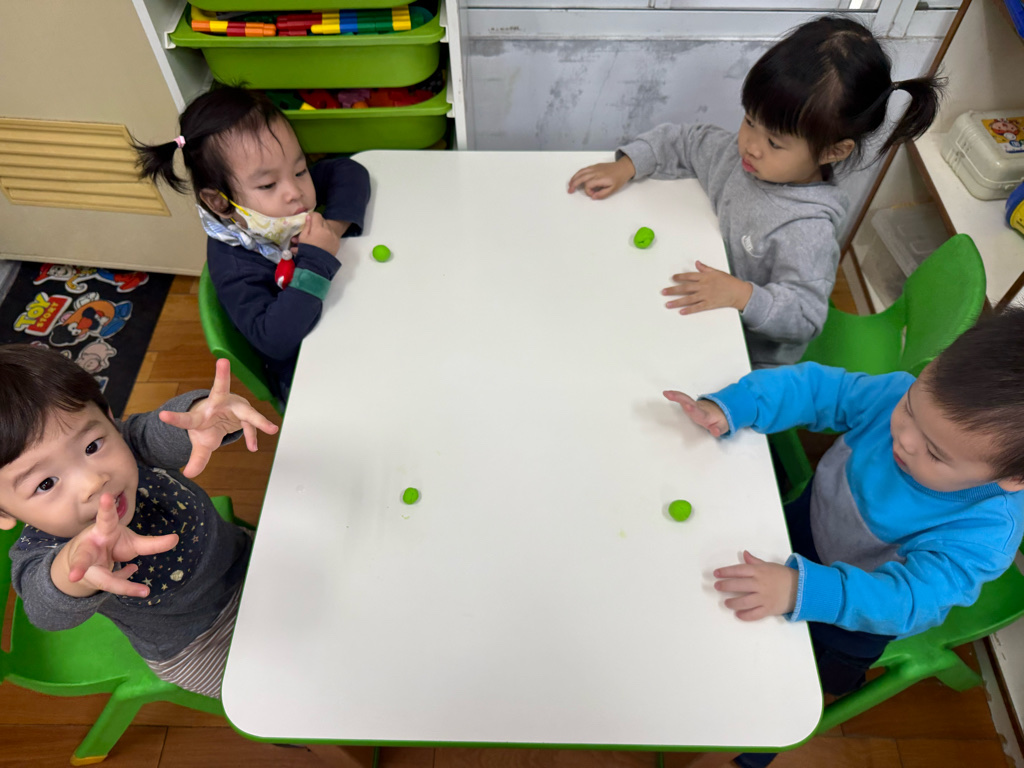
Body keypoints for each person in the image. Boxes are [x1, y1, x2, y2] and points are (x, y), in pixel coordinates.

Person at [663, 307, 1024, 767]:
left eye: (934, 453)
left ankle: (748, 755)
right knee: (712, 605)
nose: (905, 439)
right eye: (909, 408)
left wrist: (803, 590)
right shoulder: (899, 397)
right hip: (802, 526)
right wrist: (736, 405)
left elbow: (909, 602)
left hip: (851, 615)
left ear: (1014, 479)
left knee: (788, 686)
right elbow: (820, 390)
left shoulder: (985, 530)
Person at [568, 16, 944, 368]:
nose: (750, 145)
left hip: (752, 359)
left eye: (774, 142)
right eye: (749, 120)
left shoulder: (806, 231)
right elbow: (687, 141)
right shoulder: (741, 160)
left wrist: (741, 295)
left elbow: (805, 317)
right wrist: (628, 165)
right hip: (706, 310)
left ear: (832, 152)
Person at [0, 345, 278, 698]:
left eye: (91, 446)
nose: (93, 482)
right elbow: (45, 609)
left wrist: (200, 417)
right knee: (273, 698)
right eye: (45, 484)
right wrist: (74, 572)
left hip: (242, 557)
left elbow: (162, 429)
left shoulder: (127, 442)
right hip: (197, 643)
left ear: (109, 418)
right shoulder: (43, 551)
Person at [134, 86, 371, 401]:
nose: (295, 192)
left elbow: (349, 171)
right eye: (268, 184)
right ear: (220, 202)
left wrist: (333, 228)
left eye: (300, 170)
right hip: (306, 372)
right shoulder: (235, 265)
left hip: (343, 325)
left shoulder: (285, 197)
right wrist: (315, 262)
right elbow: (274, 340)